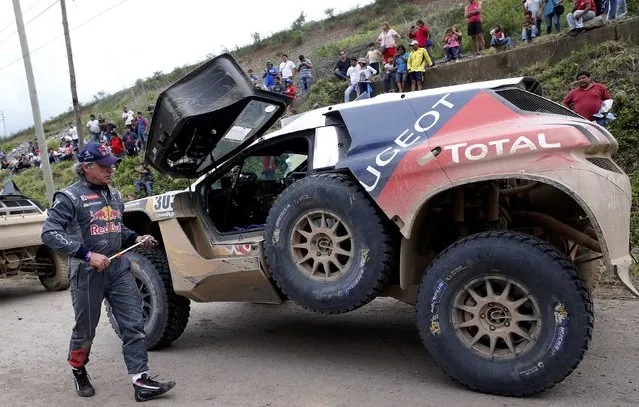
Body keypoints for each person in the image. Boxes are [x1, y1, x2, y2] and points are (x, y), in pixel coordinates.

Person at [40, 142, 175, 401]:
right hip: (86, 273)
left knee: (133, 324)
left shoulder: (114, 194)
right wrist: (87, 255)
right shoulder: (69, 197)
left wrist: (136, 237)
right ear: (87, 166)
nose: (111, 168)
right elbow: (49, 233)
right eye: (105, 165)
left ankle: (140, 381)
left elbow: (116, 229)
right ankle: (78, 369)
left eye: (112, 163)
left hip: (118, 269)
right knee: (85, 329)